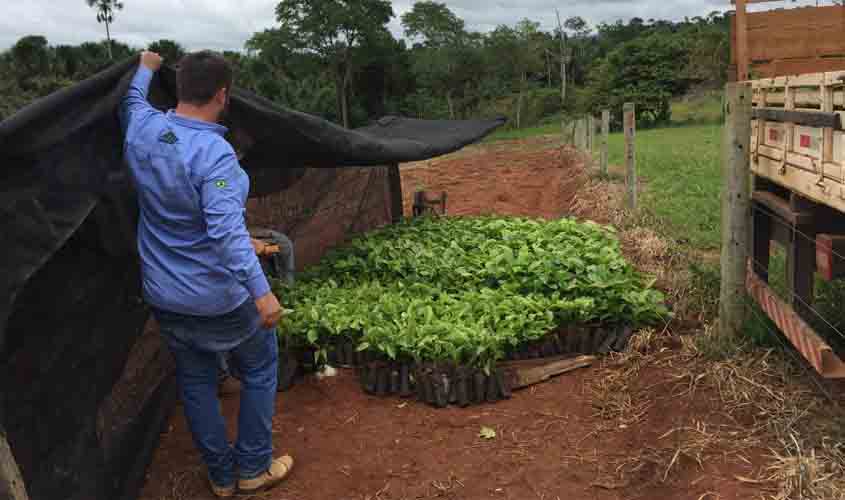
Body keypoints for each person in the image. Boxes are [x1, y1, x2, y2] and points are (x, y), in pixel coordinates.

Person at [120, 50, 293, 497]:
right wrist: (262, 292)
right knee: (258, 366)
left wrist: (145, 66)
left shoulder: (142, 127)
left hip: (165, 293)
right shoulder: (215, 154)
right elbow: (223, 231)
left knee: (195, 380)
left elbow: (133, 97)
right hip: (218, 297)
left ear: (179, 90)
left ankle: (220, 477)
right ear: (222, 94)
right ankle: (253, 467)